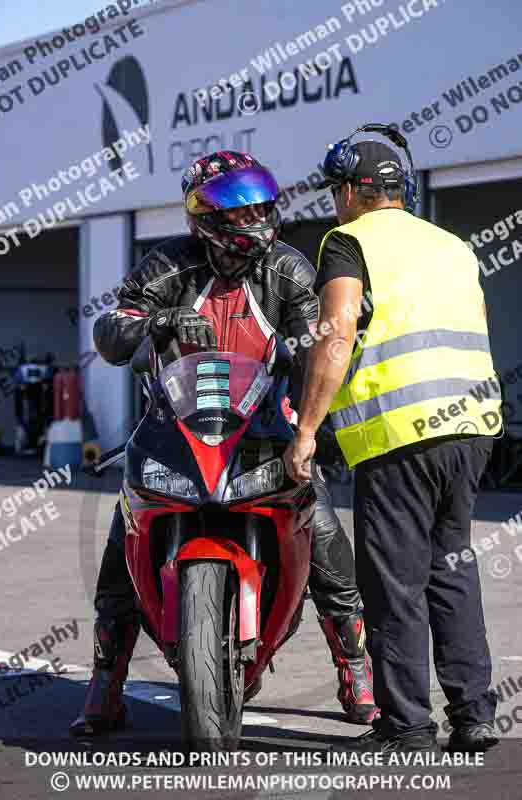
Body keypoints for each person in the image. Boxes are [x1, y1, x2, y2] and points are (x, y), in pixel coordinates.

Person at [70, 151, 378, 737]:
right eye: (240, 213)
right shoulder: (167, 267)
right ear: (204, 220)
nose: (255, 223)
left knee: (324, 530)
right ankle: (105, 683)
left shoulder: (288, 270)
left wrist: (328, 331)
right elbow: (112, 332)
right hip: (174, 427)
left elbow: (321, 330)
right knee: (124, 534)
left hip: (264, 427)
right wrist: (153, 325)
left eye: (262, 208)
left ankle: (355, 668)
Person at [284, 128, 502, 754]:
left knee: (393, 583)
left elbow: (335, 333)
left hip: (401, 432)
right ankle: (473, 715)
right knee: (451, 569)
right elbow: (478, 323)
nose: (332, 201)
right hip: (471, 426)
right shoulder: (453, 246)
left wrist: (306, 430)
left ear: (354, 190)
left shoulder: (349, 241)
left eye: (335, 189)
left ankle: (406, 725)